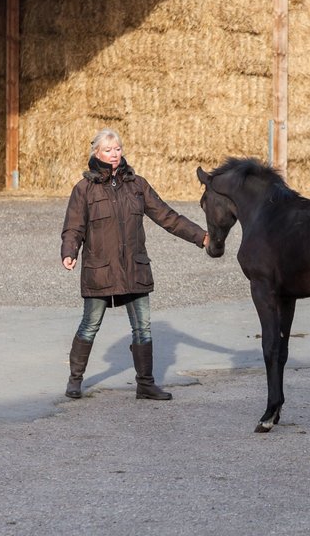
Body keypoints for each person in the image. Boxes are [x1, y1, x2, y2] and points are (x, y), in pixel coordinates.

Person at [60, 128, 208, 400]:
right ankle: (75, 380)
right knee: (90, 325)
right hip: (100, 270)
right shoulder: (84, 189)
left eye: (117, 149)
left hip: (134, 268)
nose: (114, 154)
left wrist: (202, 237)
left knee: (143, 327)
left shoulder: (137, 185)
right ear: (96, 153)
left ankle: (146, 384)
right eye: (108, 150)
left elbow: (167, 216)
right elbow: (73, 228)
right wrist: (70, 252)